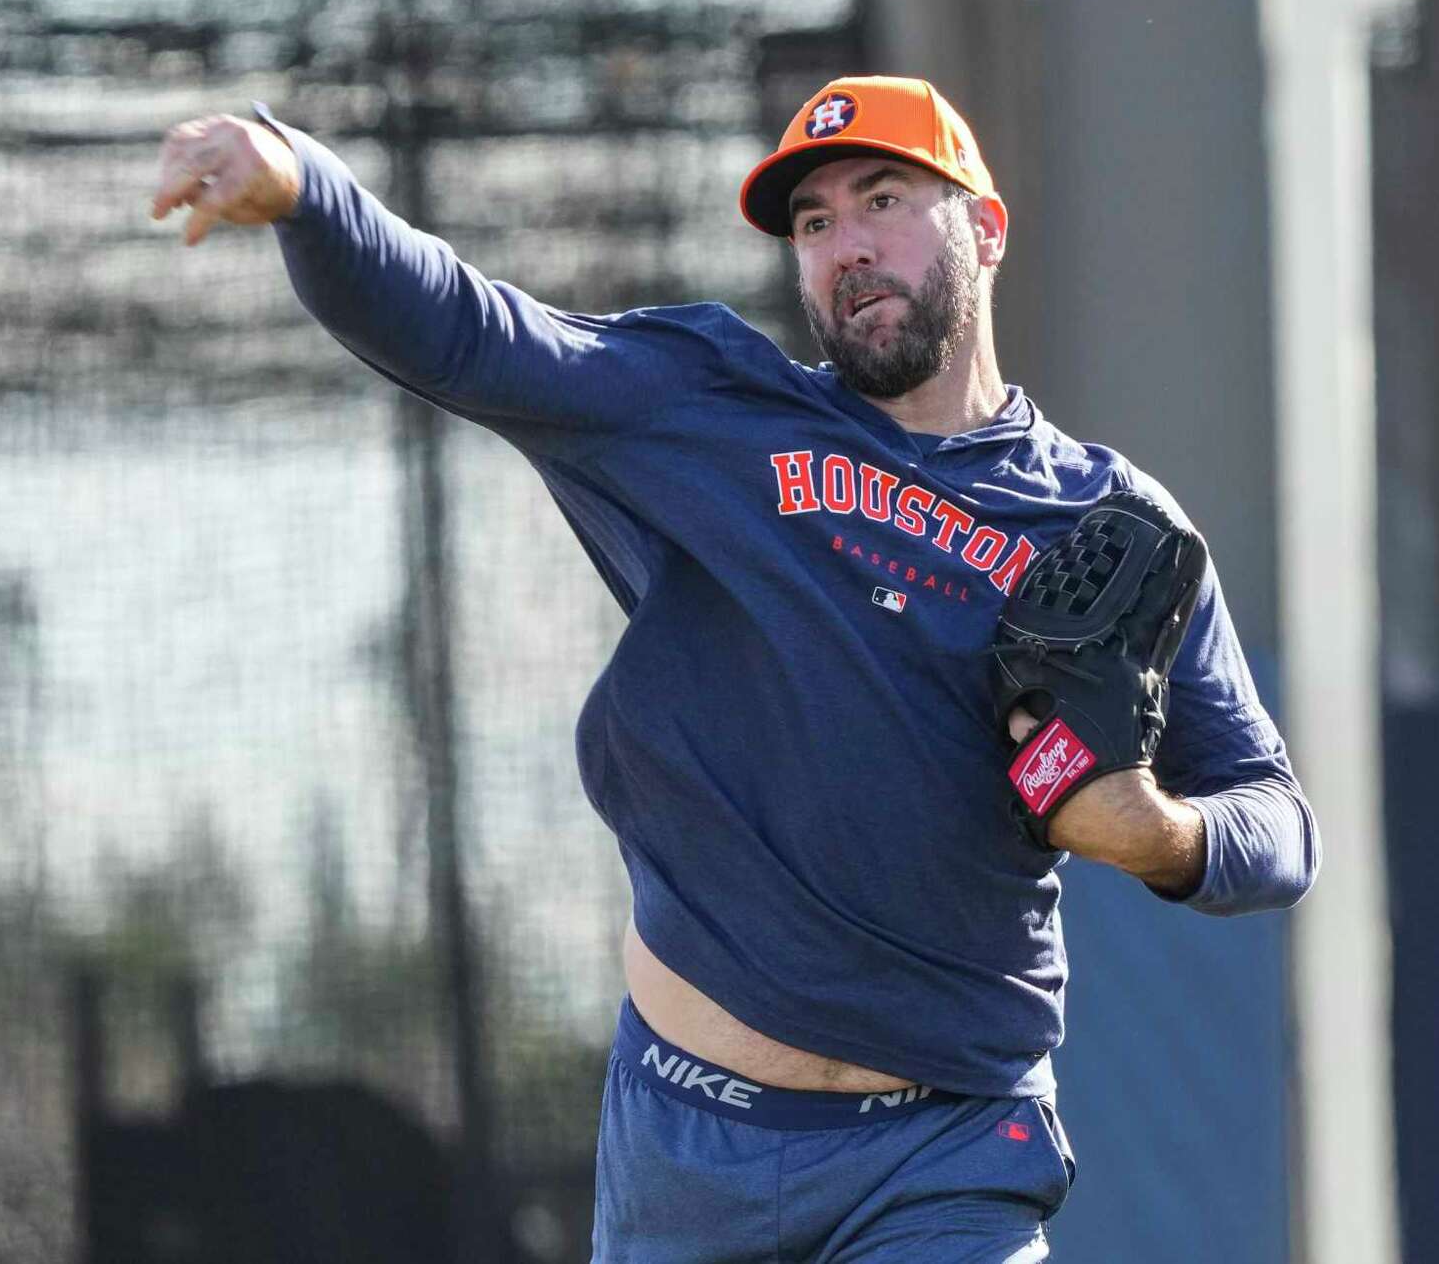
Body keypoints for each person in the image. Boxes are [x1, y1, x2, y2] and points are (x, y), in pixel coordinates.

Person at [150, 76, 1320, 1262]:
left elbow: (1276, 821)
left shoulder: (1104, 522)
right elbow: (469, 331)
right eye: (813, 224)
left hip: (939, 1155)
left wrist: (1160, 837)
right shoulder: (713, 408)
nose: (845, 246)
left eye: (881, 199)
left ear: (983, 227)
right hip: (684, 1154)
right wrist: (306, 188)